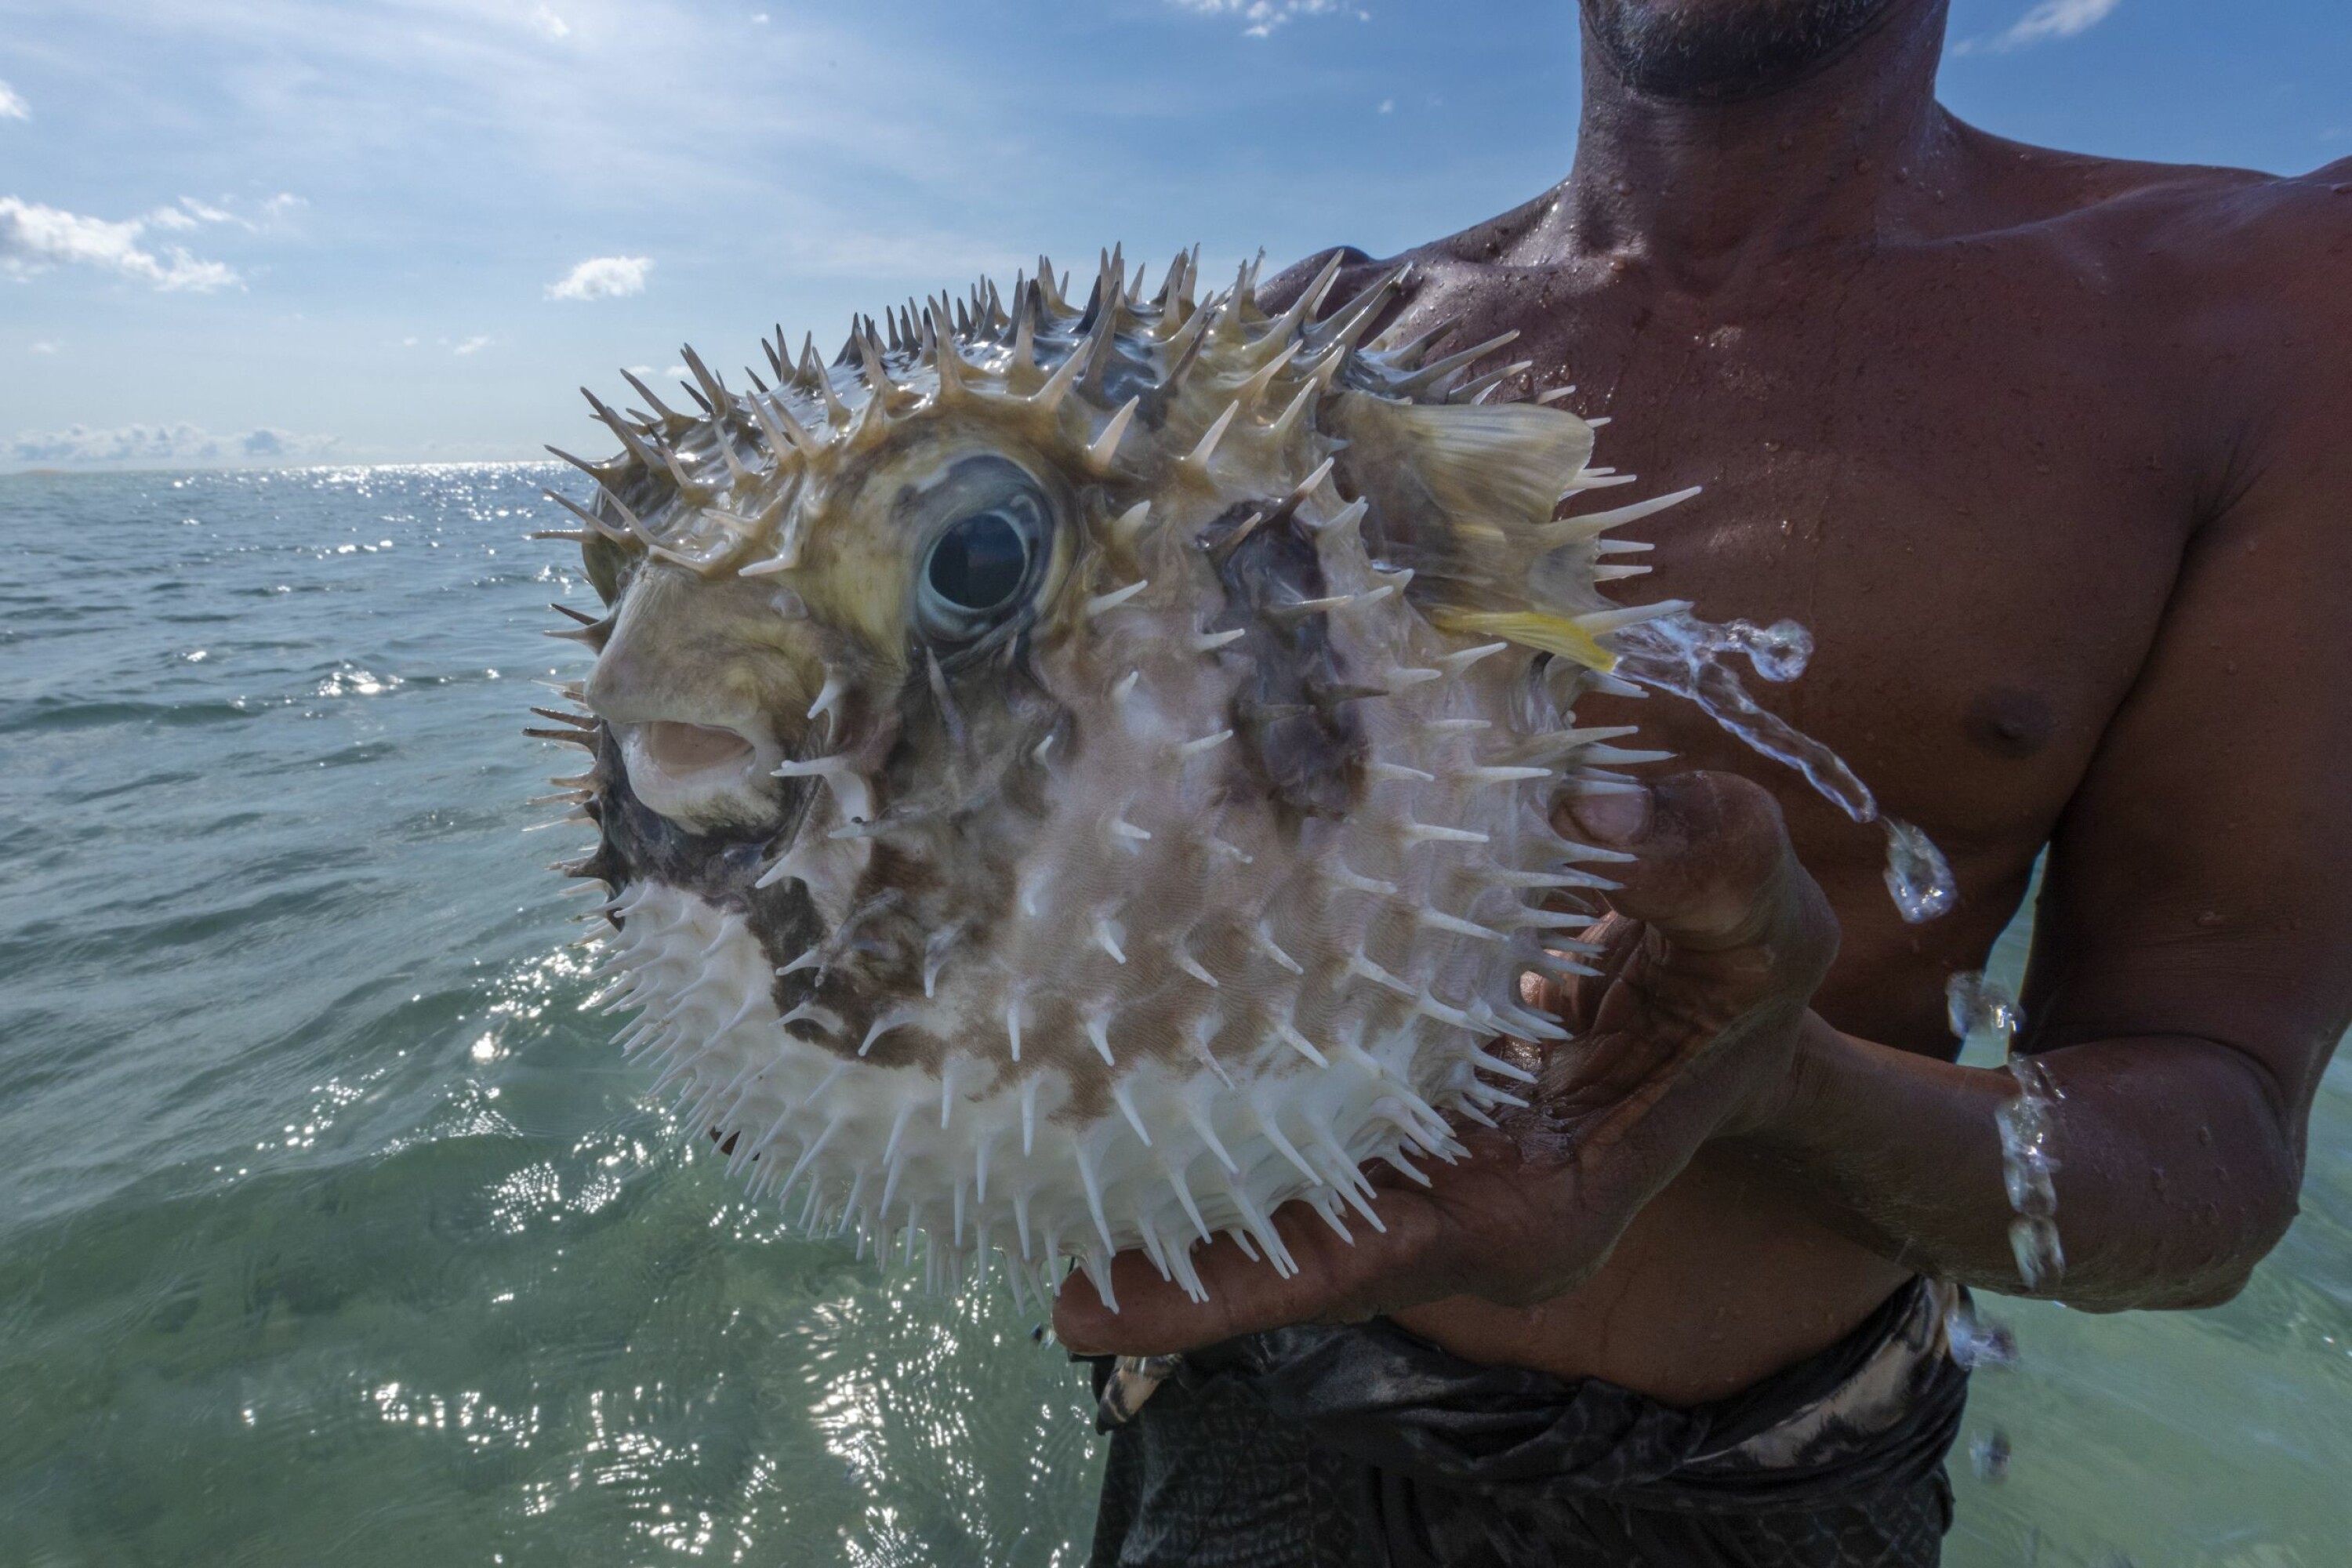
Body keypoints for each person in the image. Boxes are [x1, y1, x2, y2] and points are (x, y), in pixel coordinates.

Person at [1054, 0, 2352, 1561]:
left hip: (1784, 1478)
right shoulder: (1307, 347)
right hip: (1254, 1395)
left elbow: (2218, 1136)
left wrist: (1786, 1090)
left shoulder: (2255, 314)